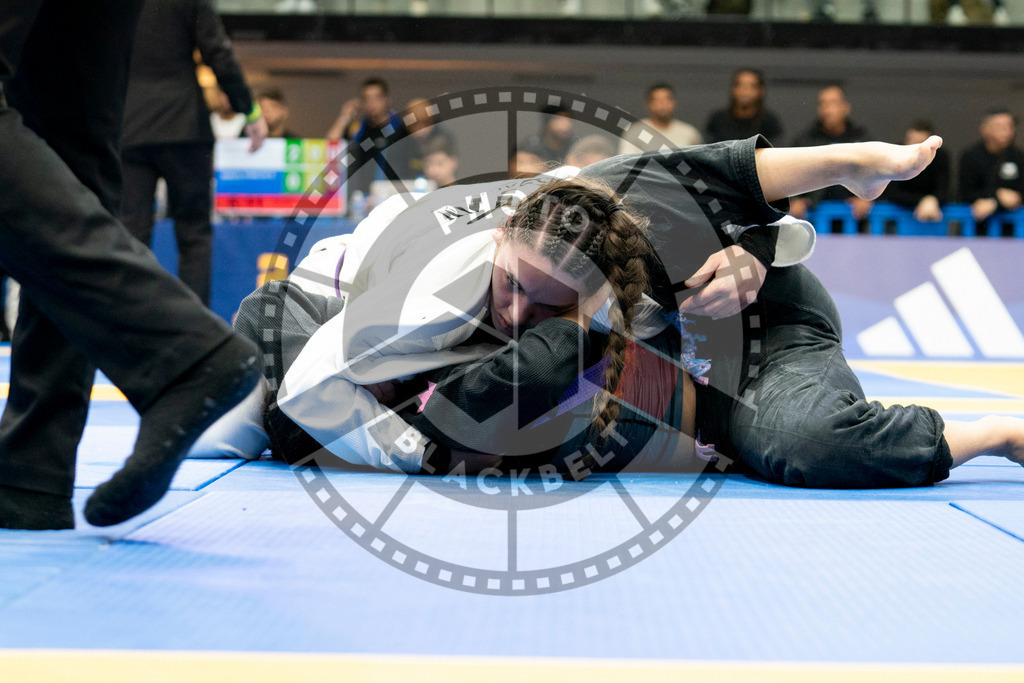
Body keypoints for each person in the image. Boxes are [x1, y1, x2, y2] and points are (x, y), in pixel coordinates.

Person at [190, 134, 1024, 487]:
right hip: (626, 333)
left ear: (604, 294)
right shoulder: (443, 289)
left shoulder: (623, 221)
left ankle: (1000, 430)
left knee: (796, 443)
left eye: (545, 299)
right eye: (511, 284)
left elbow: (771, 217)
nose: (514, 308)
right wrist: (421, 452)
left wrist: (782, 235)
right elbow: (301, 388)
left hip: (767, 326)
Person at [0, 0, 260, 530]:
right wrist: (243, 104)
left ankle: (180, 348)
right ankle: (29, 472)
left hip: (146, 122)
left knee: (83, 159)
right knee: (73, 153)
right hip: (178, 121)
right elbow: (216, 47)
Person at [121, 0, 268, 307]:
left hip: (129, 129)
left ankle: (132, 332)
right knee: (194, 237)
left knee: (130, 236)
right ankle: (196, 337)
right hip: (184, 127)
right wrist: (249, 111)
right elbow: (218, 52)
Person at [790, 85, 871, 221]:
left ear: (846, 107)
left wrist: (868, 197)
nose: (828, 109)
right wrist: (793, 199)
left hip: (854, 220)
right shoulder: (805, 140)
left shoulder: (862, 141)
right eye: (823, 104)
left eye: (833, 103)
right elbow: (789, 171)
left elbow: (880, 172)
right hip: (813, 217)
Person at [325, 77, 408, 200]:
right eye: (367, 99)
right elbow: (330, 145)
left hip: (394, 196)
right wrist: (345, 116)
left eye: (376, 98)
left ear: (387, 99)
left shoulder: (401, 128)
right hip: (362, 197)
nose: (372, 103)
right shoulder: (359, 130)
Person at [958, 107, 1024, 234]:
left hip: (1013, 231)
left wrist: (996, 203)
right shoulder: (970, 156)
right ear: (985, 129)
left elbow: (1019, 194)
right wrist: (997, 197)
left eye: (1010, 126)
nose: (1006, 131)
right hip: (975, 227)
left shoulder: (1018, 157)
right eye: (999, 126)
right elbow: (963, 193)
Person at [880, 121, 950, 222]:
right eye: (911, 141)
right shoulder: (896, 154)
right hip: (898, 216)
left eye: (920, 143)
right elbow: (890, 192)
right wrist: (923, 201)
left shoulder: (941, 157)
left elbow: (944, 190)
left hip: (932, 213)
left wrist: (933, 200)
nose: (914, 147)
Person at [704, 69, 784, 144]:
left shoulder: (770, 122)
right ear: (733, 89)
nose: (745, 91)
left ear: (761, 91)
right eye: (740, 85)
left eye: (751, 86)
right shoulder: (717, 119)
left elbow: (774, 152)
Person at [619, 83, 702, 156]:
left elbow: (699, 163)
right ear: (649, 104)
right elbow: (626, 164)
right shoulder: (635, 132)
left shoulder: (689, 133)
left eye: (667, 99)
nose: (663, 104)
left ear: (674, 102)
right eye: (657, 100)